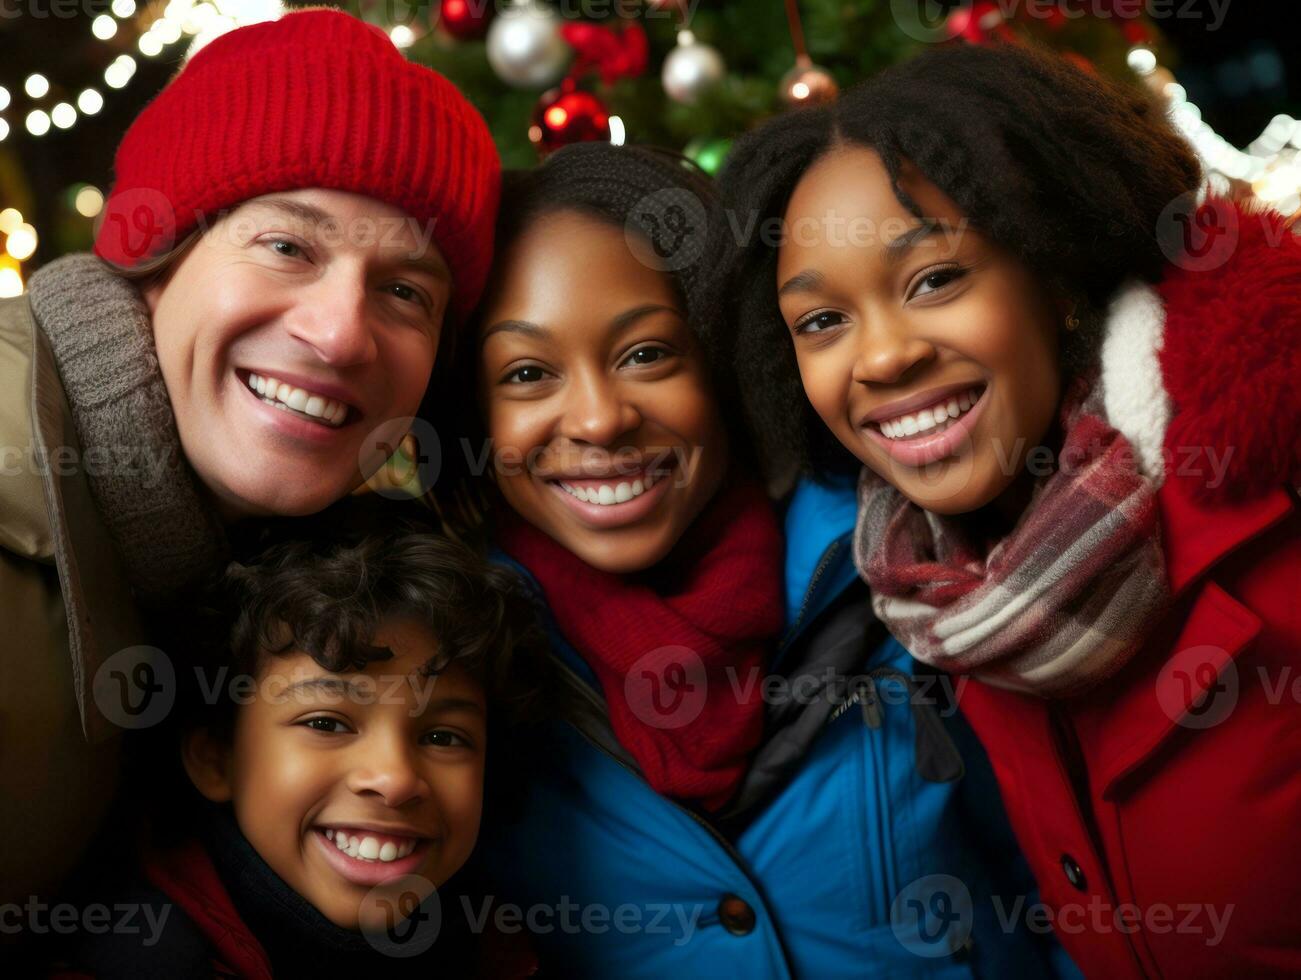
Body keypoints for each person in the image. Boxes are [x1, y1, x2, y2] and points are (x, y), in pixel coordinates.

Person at [720, 41, 1300, 977]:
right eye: (821, 321)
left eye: (934, 280)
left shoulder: (1272, 502)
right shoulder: (941, 602)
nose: (879, 359)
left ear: (1055, 276)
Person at [453, 141, 1066, 976]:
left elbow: (1067, 904)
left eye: (646, 354)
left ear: (724, 363)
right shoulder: (462, 666)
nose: (599, 420)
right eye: (527, 373)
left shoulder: (915, 576)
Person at [0, 7, 500, 910]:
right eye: (286, 246)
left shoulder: (229, 567)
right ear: (153, 257)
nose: (342, 335)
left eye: (403, 290)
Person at [45, 526, 544, 975]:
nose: (394, 778)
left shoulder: (495, 942)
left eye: (443, 737)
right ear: (217, 757)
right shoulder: (129, 958)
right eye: (326, 723)